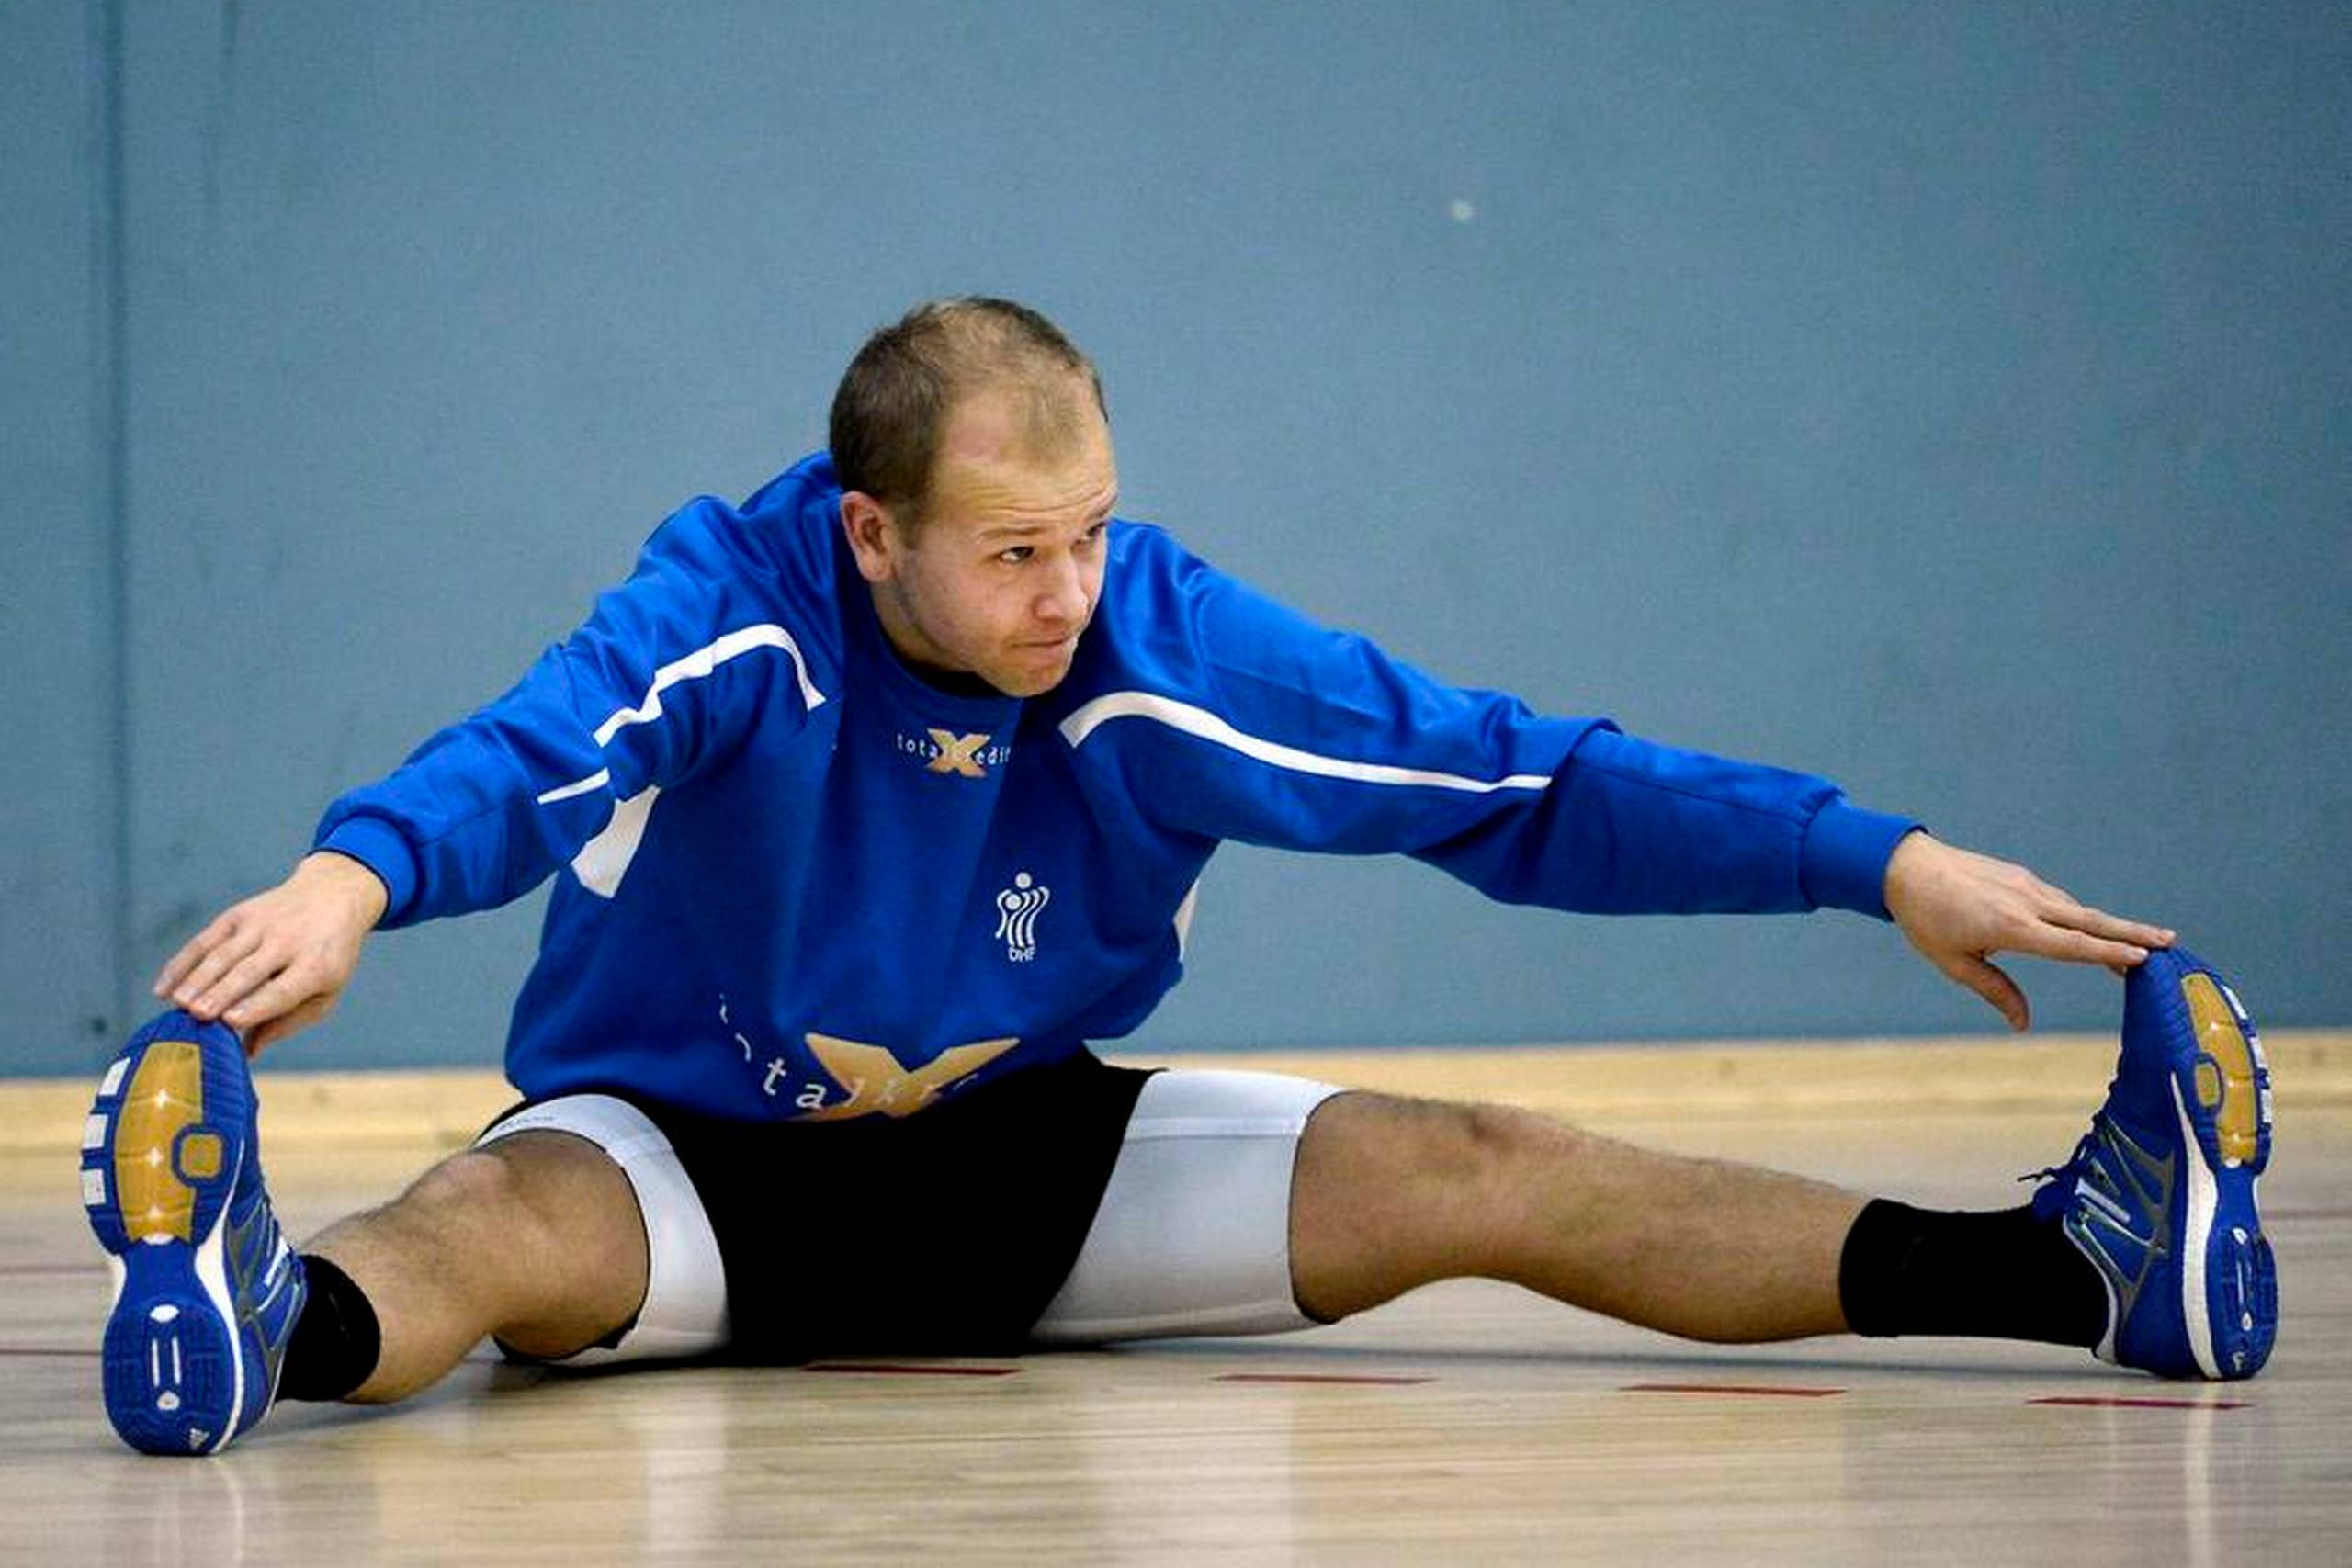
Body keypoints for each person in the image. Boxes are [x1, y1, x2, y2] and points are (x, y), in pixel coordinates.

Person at [79, 298, 2277, 1458]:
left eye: (1091, 531)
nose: (1064, 593)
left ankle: (2083, 1275)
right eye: (1011, 550)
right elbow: (542, 747)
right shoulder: (733, 599)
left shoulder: (1153, 651)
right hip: (681, 1161)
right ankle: (255, 1310)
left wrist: (1869, 856)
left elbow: (1513, 783)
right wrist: (355, 879)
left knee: (1479, 1154)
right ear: (874, 535)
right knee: (473, 1222)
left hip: (1022, 1165)